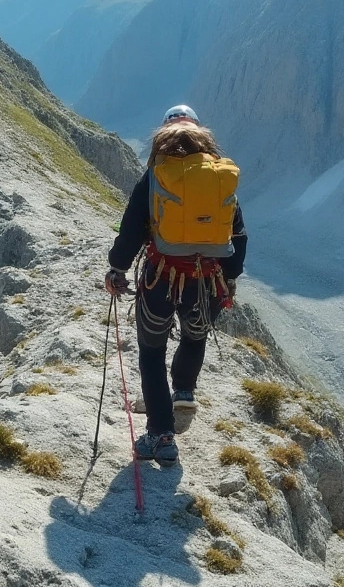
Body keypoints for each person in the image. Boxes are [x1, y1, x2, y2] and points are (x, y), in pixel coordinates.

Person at [104, 105, 247, 467]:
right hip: (207, 281)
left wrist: (116, 270)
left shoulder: (156, 174)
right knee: (194, 336)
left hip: (161, 278)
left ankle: (161, 434)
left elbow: (132, 229)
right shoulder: (219, 176)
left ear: (164, 134)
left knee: (151, 353)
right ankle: (183, 390)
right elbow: (238, 234)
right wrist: (229, 278)